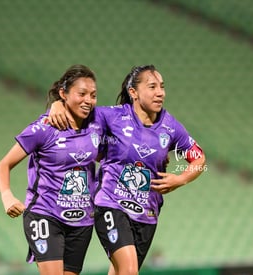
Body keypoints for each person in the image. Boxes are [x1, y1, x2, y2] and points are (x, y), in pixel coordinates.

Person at [48, 65, 206, 275]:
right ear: (134, 93)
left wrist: (181, 179)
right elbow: (79, 109)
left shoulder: (172, 127)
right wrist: (59, 104)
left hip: (146, 215)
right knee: (130, 271)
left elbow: (200, 159)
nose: (160, 92)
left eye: (162, 86)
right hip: (110, 205)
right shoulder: (111, 117)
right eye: (152, 87)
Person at [0, 64, 103, 275]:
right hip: (45, 214)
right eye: (81, 94)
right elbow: (3, 165)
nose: (88, 100)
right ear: (63, 93)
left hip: (81, 221)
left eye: (93, 95)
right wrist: (7, 196)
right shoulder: (43, 128)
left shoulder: (97, 126)